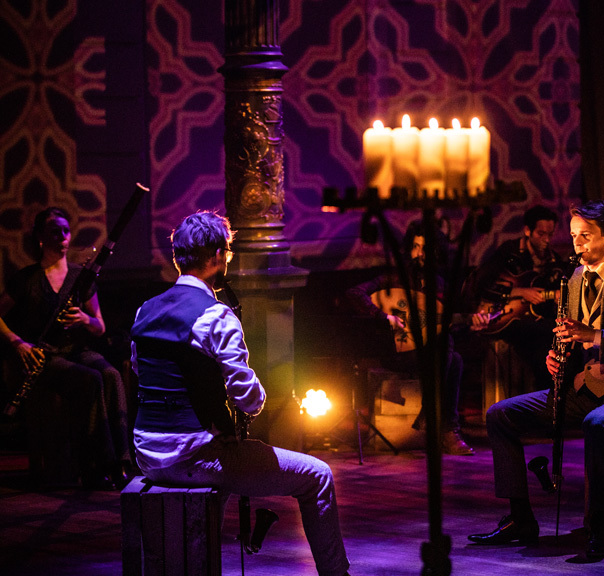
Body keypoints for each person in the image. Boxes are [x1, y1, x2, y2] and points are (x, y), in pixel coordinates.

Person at [130, 211, 350, 576]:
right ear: (219, 255)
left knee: (228, 454)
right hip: (194, 456)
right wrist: (251, 394)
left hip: (146, 453)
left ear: (177, 257)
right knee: (318, 476)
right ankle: (337, 574)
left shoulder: (145, 310)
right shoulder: (215, 316)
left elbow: (140, 371)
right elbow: (249, 399)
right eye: (228, 253)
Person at [468, 200, 604, 557]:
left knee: (597, 423)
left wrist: (595, 336)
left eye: (585, 235)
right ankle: (520, 519)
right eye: (574, 235)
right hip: (583, 388)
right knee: (500, 414)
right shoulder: (573, 279)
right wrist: (556, 358)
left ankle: (600, 529)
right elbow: (569, 339)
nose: (577, 243)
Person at [0, 207, 131, 490]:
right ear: (40, 237)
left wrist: (83, 319)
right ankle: (99, 465)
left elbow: (99, 326)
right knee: (91, 379)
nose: (62, 237)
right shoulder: (26, 278)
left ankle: (122, 461)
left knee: (111, 375)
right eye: (54, 231)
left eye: (65, 230)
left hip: (76, 350)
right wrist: (18, 343)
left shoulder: (80, 277)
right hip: (44, 356)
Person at [345, 220, 487, 455]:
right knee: (451, 356)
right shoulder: (394, 279)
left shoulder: (441, 286)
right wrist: (385, 317)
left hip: (431, 354)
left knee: (452, 355)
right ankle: (446, 430)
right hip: (398, 353)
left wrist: (473, 324)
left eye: (426, 249)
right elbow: (354, 293)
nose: (420, 254)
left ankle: (437, 421)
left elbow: (449, 326)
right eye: (415, 247)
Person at [467, 205, 566, 390]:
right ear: (527, 230)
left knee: (547, 341)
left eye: (550, 234)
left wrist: (557, 297)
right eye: (541, 234)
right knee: (547, 332)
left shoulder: (554, 262)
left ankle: (547, 394)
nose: (546, 240)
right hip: (502, 319)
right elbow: (481, 284)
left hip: (533, 323)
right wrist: (520, 292)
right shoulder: (509, 252)